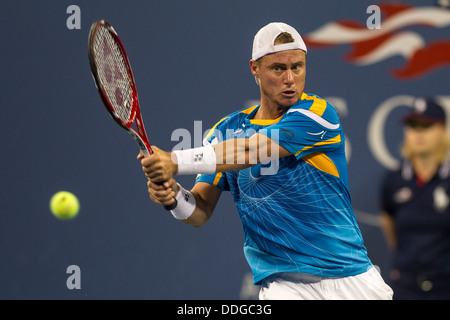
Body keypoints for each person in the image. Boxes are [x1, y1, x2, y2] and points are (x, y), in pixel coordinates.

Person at [139, 22, 393, 300]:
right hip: (284, 288)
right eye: (278, 69)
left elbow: (252, 151)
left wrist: (174, 161)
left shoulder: (318, 113)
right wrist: (174, 197)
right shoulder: (224, 130)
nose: (290, 79)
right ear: (255, 69)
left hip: (352, 282)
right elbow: (199, 211)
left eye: (297, 67)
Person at [380, 97, 450, 300]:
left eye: (426, 126)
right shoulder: (393, 181)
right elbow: (389, 225)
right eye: (413, 126)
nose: (418, 133)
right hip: (405, 289)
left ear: (442, 131)